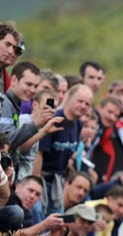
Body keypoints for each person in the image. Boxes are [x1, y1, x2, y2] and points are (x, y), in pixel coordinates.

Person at [32, 83, 93, 215]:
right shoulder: (55, 119)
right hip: (43, 177)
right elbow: (39, 153)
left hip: (58, 181)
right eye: (80, 101)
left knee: (57, 220)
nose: (83, 106)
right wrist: (36, 184)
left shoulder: (78, 124)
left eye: (87, 104)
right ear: (69, 98)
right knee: (38, 214)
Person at [89, 95, 123, 183]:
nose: (112, 118)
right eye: (110, 112)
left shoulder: (108, 132)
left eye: (116, 115)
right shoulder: (89, 122)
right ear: (99, 108)